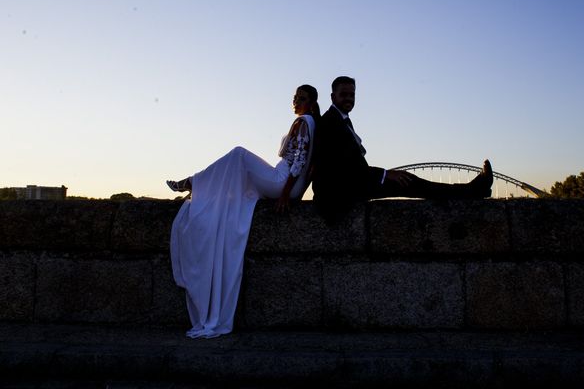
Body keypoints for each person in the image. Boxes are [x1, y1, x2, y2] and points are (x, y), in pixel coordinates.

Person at [167, 84, 319, 338]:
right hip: (287, 182)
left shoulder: (303, 123)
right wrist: (297, 192)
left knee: (238, 154)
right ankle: (199, 184)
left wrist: (285, 194)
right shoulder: (313, 123)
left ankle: (194, 182)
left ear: (311, 102)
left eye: (301, 98)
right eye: (294, 97)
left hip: (282, 182)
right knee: (238, 167)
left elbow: (301, 161)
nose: (295, 101)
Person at [312, 76, 493, 222]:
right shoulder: (331, 122)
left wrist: (383, 175)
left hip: (350, 184)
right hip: (340, 193)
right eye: (344, 94)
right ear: (333, 97)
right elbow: (345, 166)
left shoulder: (339, 119)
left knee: (409, 181)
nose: (349, 99)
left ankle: (472, 190)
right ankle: (472, 191)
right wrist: (385, 174)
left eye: (352, 95)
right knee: (407, 182)